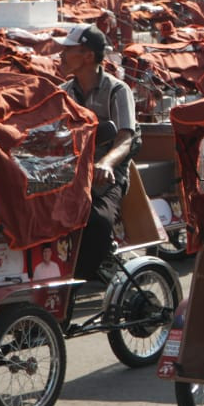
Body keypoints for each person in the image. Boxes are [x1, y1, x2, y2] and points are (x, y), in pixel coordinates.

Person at [57, 23, 138, 281]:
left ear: (88, 56)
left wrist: (106, 163)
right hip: (71, 172)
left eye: (68, 50)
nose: (61, 55)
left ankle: (77, 280)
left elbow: (126, 138)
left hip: (108, 174)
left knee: (98, 222)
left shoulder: (117, 90)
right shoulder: (63, 93)